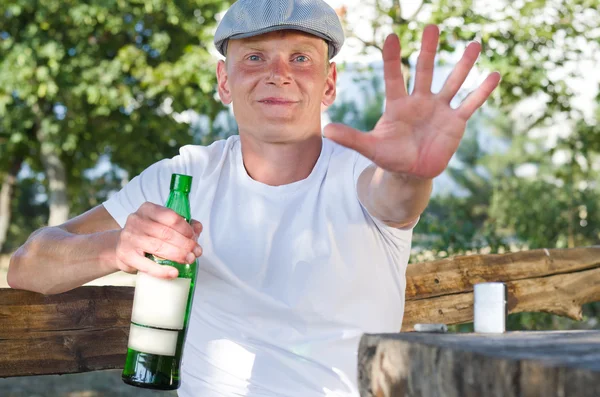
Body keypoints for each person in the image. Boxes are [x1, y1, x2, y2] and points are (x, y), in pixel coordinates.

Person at [7, 0, 500, 395]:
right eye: (255, 57)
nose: (278, 73)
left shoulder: (363, 174)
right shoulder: (182, 177)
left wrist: (411, 170)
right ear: (225, 81)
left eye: (301, 58)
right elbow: (29, 264)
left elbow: (396, 196)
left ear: (329, 83)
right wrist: (115, 247)